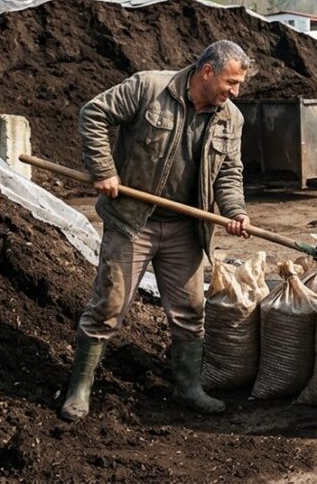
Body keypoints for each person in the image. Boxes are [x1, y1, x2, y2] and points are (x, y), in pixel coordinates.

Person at [60, 40, 253, 421]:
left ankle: (188, 387)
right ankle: (79, 389)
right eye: (231, 82)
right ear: (207, 71)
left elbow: (229, 172)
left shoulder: (231, 118)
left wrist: (235, 211)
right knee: (109, 307)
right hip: (133, 221)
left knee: (190, 311)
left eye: (239, 85)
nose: (235, 92)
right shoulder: (149, 88)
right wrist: (104, 170)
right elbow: (94, 113)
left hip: (185, 228)